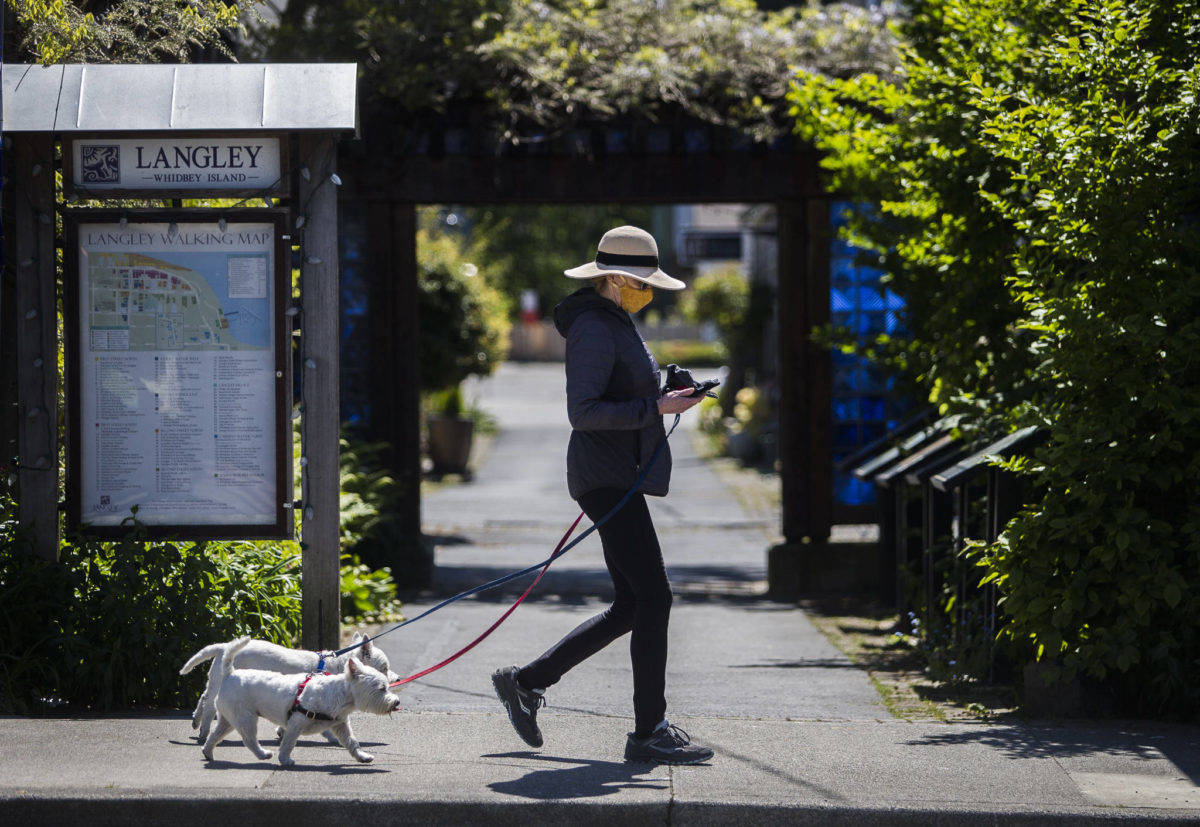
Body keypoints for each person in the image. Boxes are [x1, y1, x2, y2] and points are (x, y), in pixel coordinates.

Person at [492, 225, 713, 765]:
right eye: (641, 281)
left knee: (633, 603)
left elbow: (619, 390)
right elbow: (583, 411)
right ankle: (649, 731)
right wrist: (656, 409)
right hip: (605, 476)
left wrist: (665, 392)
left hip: (615, 472)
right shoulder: (594, 326)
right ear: (614, 278)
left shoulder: (613, 321)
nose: (647, 291)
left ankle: (527, 681)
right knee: (653, 597)